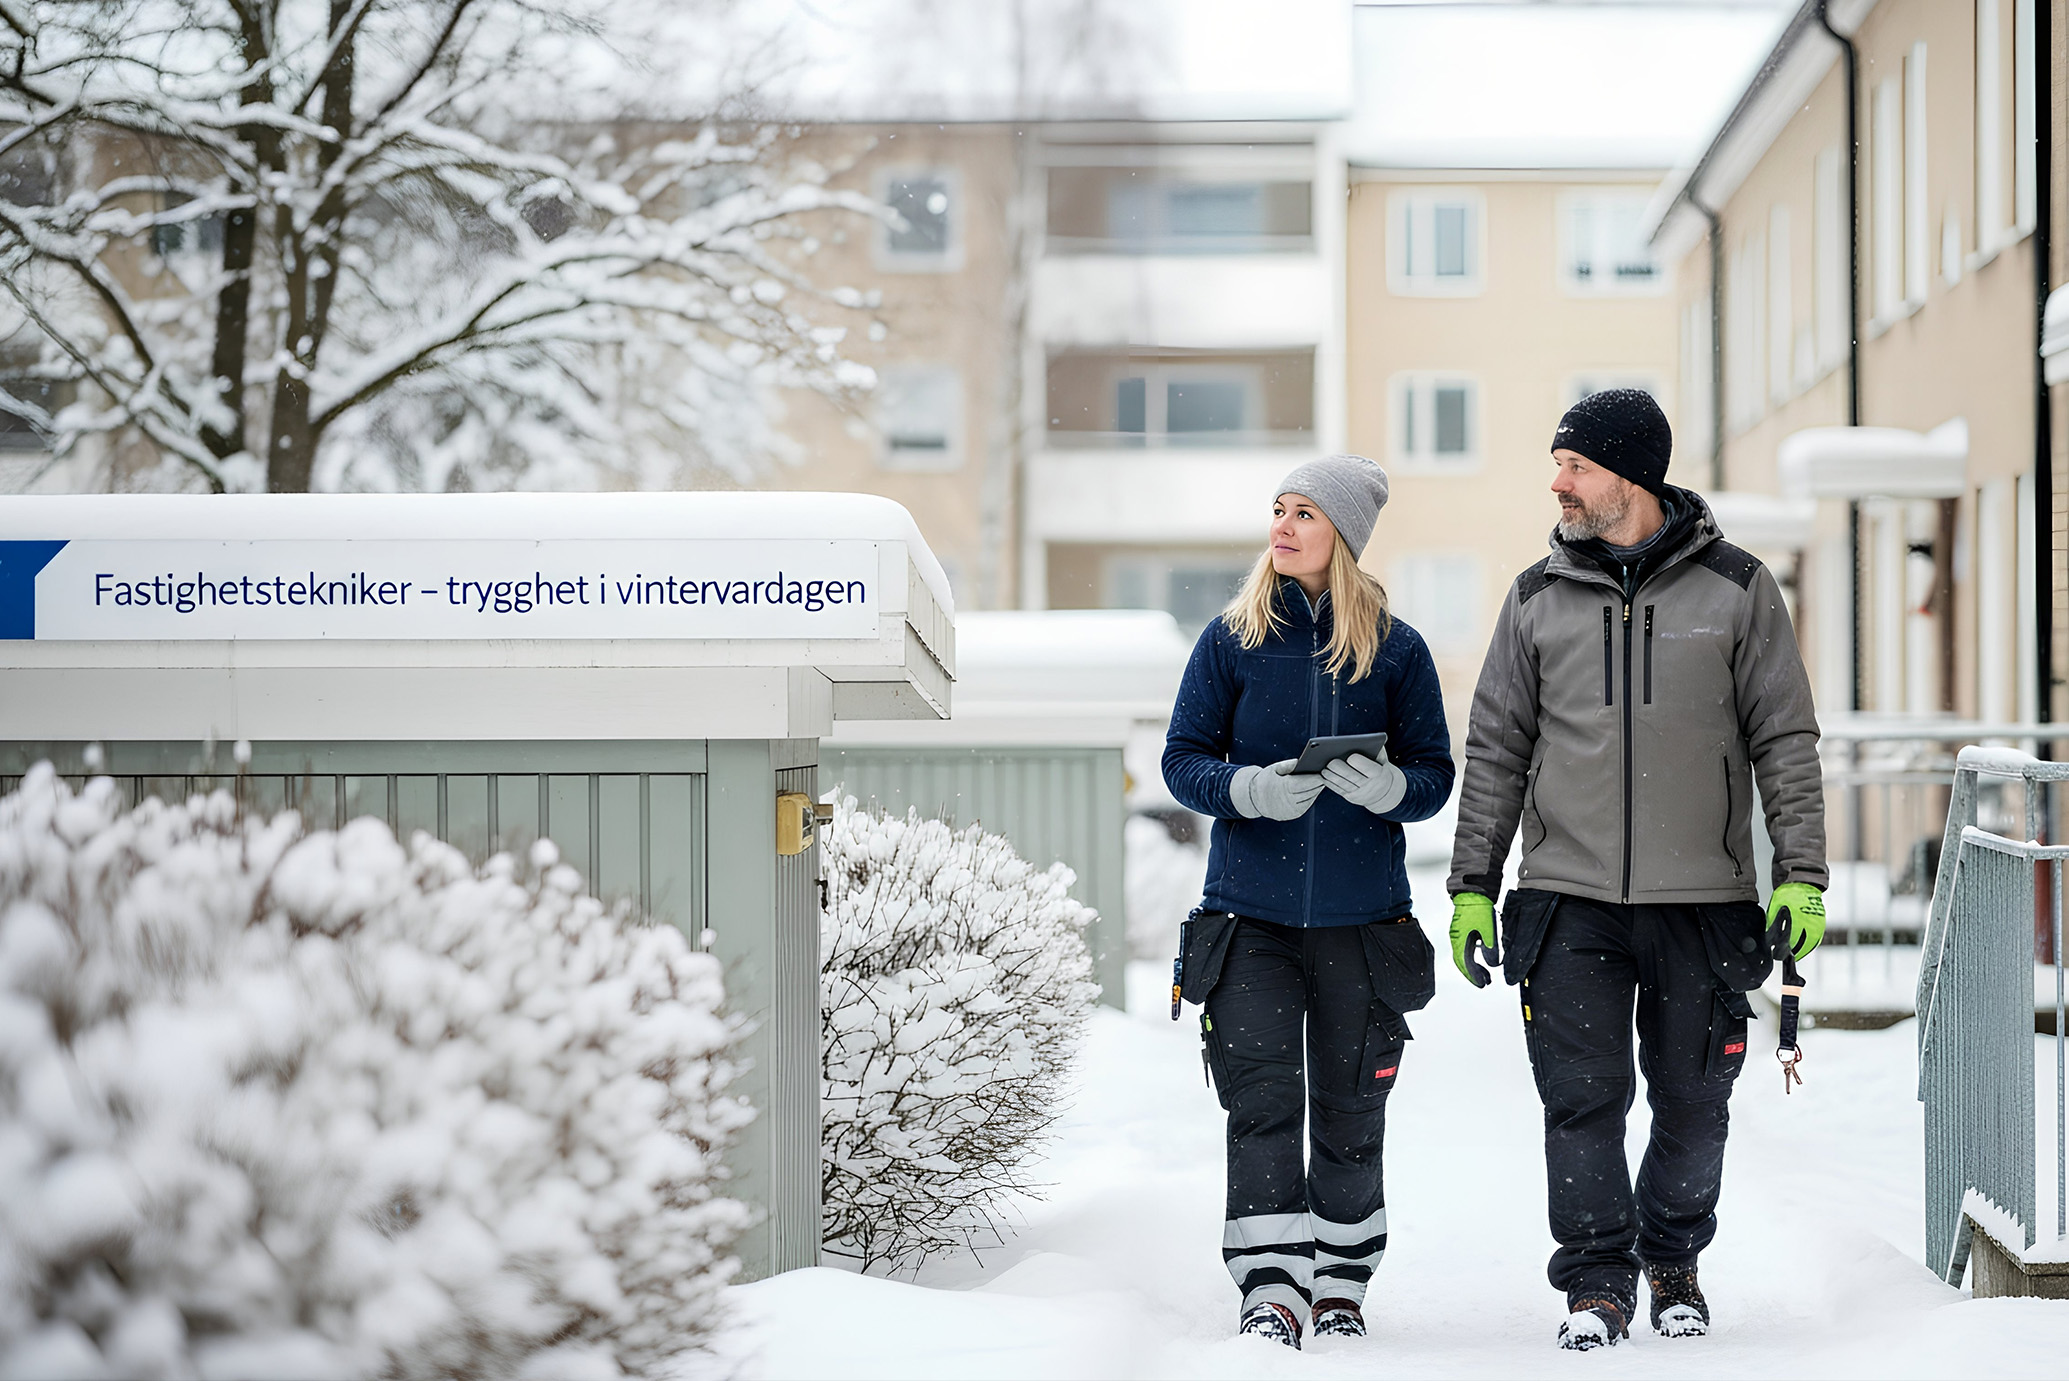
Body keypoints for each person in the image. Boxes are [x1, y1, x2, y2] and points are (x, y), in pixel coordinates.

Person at [1445, 389, 1828, 1351]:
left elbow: (1784, 737)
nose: (1558, 483)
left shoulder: (1737, 588)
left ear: (1631, 474)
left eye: (1575, 465)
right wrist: (1471, 887)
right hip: (1565, 900)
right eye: (1557, 464)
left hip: (1703, 900)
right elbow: (1495, 748)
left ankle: (1673, 1260)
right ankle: (1596, 1281)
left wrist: (1801, 873)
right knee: (1581, 1101)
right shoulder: (1536, 596)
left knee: (1694, 1104)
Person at [1163, 455, 1455, 1350]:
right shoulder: (1230, 639)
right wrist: (1245, 788)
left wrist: (1390, 789)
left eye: (1305, 513)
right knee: (1260, 1104)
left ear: (1344, 536)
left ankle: (1340, 1280)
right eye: (1279, 509)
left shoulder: (1396, 649)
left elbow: (1434, 775)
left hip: (1362, 923)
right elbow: (1182, 759)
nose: (1283, 527)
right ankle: (1270, 1286)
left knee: (1350, 1107)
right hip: (1247, 918)